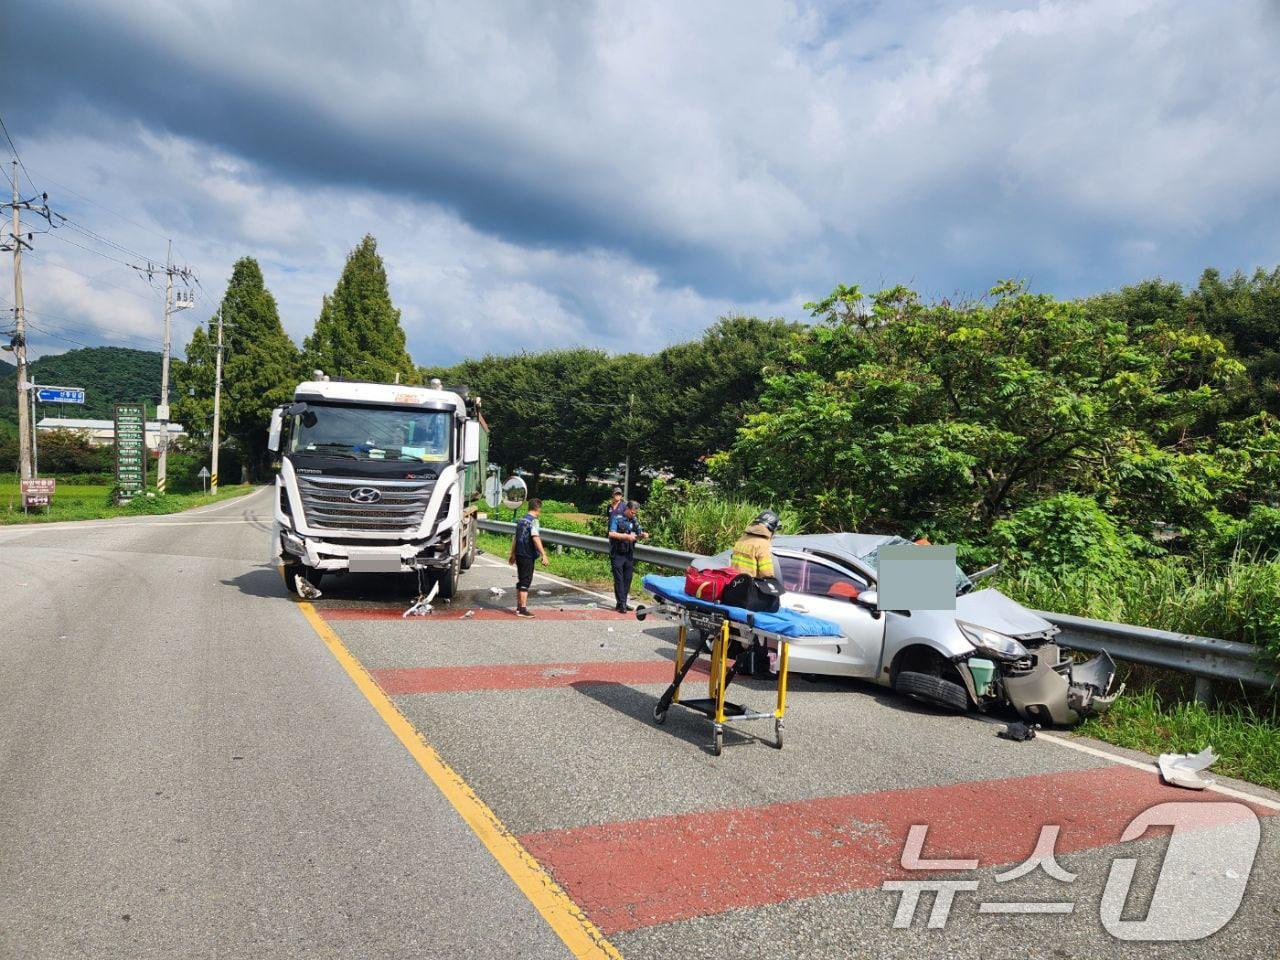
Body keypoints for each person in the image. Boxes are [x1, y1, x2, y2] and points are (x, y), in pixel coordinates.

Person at [508, 498, 549, 618]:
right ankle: (523, 610)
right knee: (526, 581)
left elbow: (516, 538)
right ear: (538, 509)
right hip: (527, 555)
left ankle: (519, 607)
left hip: (519, 554)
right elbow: (535, 538)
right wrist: (544, 554)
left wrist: (513, 554)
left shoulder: (521, 521)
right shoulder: (534, 522)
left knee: (521, 580)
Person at [607, 499, 648, 613]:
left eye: (635, 513)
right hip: (617, 552)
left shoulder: (633, 520)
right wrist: (625, 536)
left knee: (627, 579)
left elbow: (637, 534)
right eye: (632, 512)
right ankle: (622, 604)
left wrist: (642, 535)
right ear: (627, 509)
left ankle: (622, 602)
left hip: (629, 552)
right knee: (619, 579)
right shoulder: (616, 517)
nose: (633, 515)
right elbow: (611, 533)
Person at [730, 510, 780, 577]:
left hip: (734, 581)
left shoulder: (742, 539)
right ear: (771, 529)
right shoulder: (762, 545)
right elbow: (766, 573)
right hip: (749, 584)